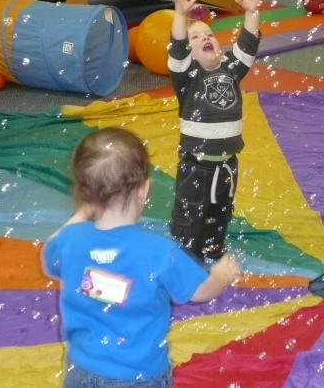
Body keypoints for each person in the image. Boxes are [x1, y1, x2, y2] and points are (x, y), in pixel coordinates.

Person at [42, 127, 241, 388]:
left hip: (82, 370)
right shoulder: (159, 252)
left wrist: (81, 214)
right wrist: (221, 276)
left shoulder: (70, 241)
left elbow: (49, 255)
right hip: (139, 377)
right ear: (143, 191)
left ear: (85, 194)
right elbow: (200, 291)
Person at [167, 0, 262, 263]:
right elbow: (178, 49)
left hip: (228, 163)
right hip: (195, 165)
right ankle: (187, 254)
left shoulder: (231, 69)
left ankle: (213, 246)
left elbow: (247, 44)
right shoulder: (187, 77)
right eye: (196, 37)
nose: (206, 38)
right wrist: (180, 16)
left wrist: (252, 12)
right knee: (191, 214)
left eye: (209, 34)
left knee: (221, 211)